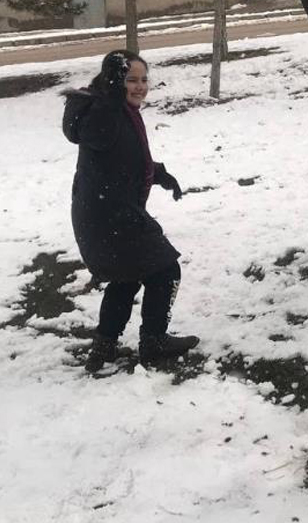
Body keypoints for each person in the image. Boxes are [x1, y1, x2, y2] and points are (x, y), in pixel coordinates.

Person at [62, 50, 199, 373]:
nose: (139, 87)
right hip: (111, 215)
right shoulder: (105, 114)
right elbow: (100, 135)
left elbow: (126, 158)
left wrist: (161, 176)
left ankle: (104, 345)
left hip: (103, 213)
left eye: (143, 80)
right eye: (130, 80)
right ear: (113, 82)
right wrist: (110, 98)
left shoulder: (118, 112)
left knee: (126, 278)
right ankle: (153, 340)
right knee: (165, 270)